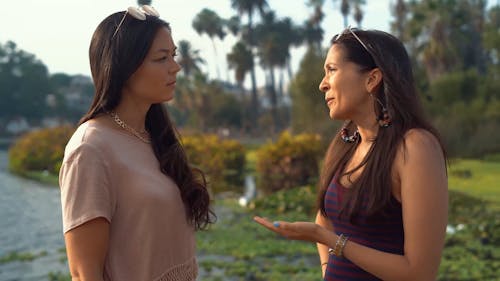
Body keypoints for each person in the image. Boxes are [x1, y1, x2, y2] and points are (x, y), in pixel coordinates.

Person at [254, 27, 448, 281]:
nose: (323, 84)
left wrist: (327, 239)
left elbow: (419, 273)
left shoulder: (415, 147)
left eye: (332, 70)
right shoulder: (346, 142)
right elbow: (324, 219)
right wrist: (328, 270)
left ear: (372, 79)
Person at [58, 5, 214, 281]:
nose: (175, 67)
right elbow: (84, 274)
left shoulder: (154, 137)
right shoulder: (90, 150)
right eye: (161, 58)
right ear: (125, 67)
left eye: (173, 55)